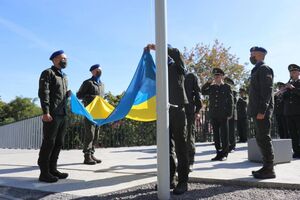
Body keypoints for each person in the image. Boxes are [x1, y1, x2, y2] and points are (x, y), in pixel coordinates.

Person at [146, 43, 189, 195]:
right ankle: (169, 179)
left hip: (177, 110)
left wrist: (158, 45)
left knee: (181, 146)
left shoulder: (178, 66)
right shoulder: (160, 71)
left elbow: (176, 52)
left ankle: (183, 181)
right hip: (164, 111)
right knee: (166, 148)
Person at [37, 50, 70, 183]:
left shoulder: (64, 76)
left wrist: (67, 95)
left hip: (63, 114)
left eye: (66, 59)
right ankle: (44, 172)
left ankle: (53, 169)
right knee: (49, 142)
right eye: (63, 58)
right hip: (52, 114)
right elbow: (44, 92)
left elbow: (58, 94)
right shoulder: (48, 73)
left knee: (58, 143)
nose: (65, 61)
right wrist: (46, 112)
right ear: (55, 59)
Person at [247, 46, 275, 179]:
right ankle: (266, 167)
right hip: (256, 111)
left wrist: (262, 110)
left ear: (258, 54)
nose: (250, 56)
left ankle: (269, 169)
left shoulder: (264, 69)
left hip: (261, 112)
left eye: (252, 54)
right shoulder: (257, 69)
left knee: (264, 138)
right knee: (260, 138)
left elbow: (267, 91)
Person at [202, 68, 233, 161]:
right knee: (216, 135)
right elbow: (203, 91)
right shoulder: (212, 87)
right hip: (214, 114)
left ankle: (225, 154)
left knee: (224, 135)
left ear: (222, 76)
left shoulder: (227, 87)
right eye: (215, 76)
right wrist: (208, 83)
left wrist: (230, 113)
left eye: (218, 75)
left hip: (223, 114)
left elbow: (231, 101)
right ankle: (218, 153)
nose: (216, 77)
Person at [76, 64, 104, 165]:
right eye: (97, 69)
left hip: (99, 112)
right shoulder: (87, 83)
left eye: (100, 69)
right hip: (89, 111)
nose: (100, 70)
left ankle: (92, 154)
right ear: (92, 71)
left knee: (96, 134)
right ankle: (87, 156)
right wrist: (92, 97)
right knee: (90, 133)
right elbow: (79, 95)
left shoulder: (101, 84)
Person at [184, 72, 202, 172]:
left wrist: (198, 110)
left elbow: (197, 93)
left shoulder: (190, 76)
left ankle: (190, 162)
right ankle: (182, 163)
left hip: (189, 110)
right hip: (175, 109)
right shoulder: (171, 74)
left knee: (189, 137)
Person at [282, 64, 300, 158]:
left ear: (298, 73)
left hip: (298, 112)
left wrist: (292, 88)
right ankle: (296, 151)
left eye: (294, 72)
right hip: (289, 113)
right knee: (292, 133)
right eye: (291, 72)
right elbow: (284, 99)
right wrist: (283, 91)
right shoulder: (287, 84)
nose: (292, 73)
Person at [224, 77, 237, 152]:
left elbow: (233, 103)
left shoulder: (233, 91)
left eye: (227, 82)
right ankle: (227, 145)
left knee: (231, 131)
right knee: (226, 131)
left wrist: (230, 114)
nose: (226, 83)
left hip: (231, 113)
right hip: (225, 113)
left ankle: (232, 146)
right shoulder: (223, 90)